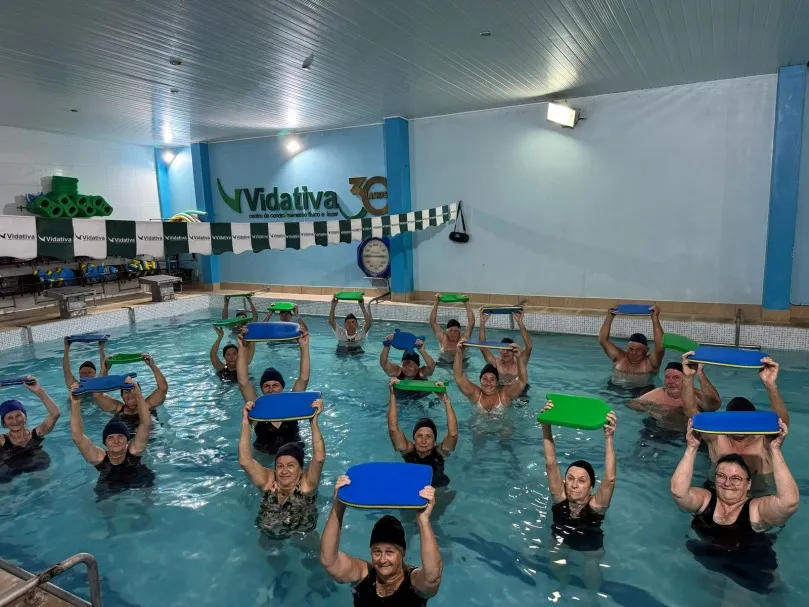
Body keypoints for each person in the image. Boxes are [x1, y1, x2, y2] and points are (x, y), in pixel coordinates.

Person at [670, 419, 798, 593]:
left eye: (736, 478)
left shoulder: (755, 510)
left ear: (748, 484)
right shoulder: (706, 500)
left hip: (750, 567)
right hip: (709, 555)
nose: (727, 482)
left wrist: (774, 450)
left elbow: (789, 502)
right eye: (721, 476)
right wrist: (691, 448)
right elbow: (678, 493)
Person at [320, 475, 442, 605]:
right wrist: (338, 506)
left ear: (403, 552)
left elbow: (432, 577)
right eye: (377, 552)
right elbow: (329, 561)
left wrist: (423, 520)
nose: (382, 560)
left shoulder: (415, 582)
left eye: (389, 552)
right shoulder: (363, 574)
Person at [540, 401, 617, 594]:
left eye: (582, 481)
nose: (574, 485)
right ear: (564, 481)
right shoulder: (560, 496)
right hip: (561, 538)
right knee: (555, 559)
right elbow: (550, 463)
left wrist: (609, 437)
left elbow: (609, 480)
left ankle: (592, 598)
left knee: (591, 569)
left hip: (590, 544)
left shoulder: (596, 505)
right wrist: (546, 424)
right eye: (571, 478)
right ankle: (563, 586)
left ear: (591, 488)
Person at [685, 356, 789, 492]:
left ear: (753, 422)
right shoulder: (716, 437)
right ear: (726, 421)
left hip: (756, 495)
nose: (739, 426)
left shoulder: (764, 443)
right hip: (716, 492)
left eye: (744, 422)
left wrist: (770, 385)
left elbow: (781, 423)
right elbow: (692, 415)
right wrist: (688, 377)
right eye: (733, 421)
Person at [239, 398, 325, 539]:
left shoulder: (306, 486)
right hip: (269, 530)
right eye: (280, 466)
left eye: (291, 465)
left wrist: (313, 421)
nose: (284, 471)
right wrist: (246, 422)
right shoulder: (269, 481)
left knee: (314, 553)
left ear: (301, 470)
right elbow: (245, 462)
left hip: (302, 532)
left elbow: (319, 458)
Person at [70, 378, 155, 494]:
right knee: (102, 496)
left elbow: (146, 423)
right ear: (105, 442)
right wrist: (75, 404)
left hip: (139, 476)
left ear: (127, 440)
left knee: (148, 490)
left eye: (120, 436)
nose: (116, 441)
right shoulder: (98, 458)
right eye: (111, 438)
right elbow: (77, 437)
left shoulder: (134, 450)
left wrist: (138, 395)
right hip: (109, 483)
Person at [236, 327, 311, 454]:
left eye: (275, 385)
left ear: (282, 387)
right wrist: (242, 348)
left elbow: (303, 379)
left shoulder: (291, 404)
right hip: (264, 458)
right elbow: (243, 383)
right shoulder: (257, 408)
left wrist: (304, 346)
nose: (271, 389)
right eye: (266, 386)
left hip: (293, 457)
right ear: (262, 390)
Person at [387, 378, 457, 488]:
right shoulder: (408, 451)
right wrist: (393, 395)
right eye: (419, 436)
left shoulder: (440, 452)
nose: (423, 441)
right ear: (414, 439)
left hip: (439, 490)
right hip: (412, 489)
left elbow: (453, 435)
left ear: (434, 441)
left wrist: (446, 401)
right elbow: (393, 429)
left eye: (428, 436)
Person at [0, 376, 60, 480]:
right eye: (9, 418)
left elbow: (55, 414)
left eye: (18, 415)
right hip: (8, 466)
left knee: (43, 481)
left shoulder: (36, 433)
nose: (15, 420)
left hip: (35, 461)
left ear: (25, 417)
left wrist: (39, 391)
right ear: (4, 423)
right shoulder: (1, 440)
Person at [95, 353, 168, 432]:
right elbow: (97, 395)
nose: (130, 394)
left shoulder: (148, 405)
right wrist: (104, 369)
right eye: (126, 392)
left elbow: (163, 388)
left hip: (151, 437)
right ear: (122, 396)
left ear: (139, 393)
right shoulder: (117, 408)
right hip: (124, 438)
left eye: (133, 390)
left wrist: (152, 366)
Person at [599, 306, 665, 387]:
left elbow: (660, 346)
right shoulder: (620, 358)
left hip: (642, 391)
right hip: (615, 389)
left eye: (638, 350)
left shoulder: (650, 363)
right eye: (631, 349)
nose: (634, 353)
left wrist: (655, 318)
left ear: (646, 350)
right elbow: (603, 340)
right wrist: (610, 316)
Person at [453, 340, 527, 412]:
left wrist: (519, 358)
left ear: (497, 382)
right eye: (485, 379)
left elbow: (522, 381)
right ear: (480, 381)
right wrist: (458, 354)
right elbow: (459, 377)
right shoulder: (476, 395)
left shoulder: (504, 396)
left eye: (492, 379)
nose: (488, 383)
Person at [478, 308, 533, 386]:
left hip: (519, 391)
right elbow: (482, 347)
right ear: (499, 350)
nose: (505, 352)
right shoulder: (495, 362)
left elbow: (529, 346)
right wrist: (482, 323)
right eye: (503, 349)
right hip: (500, 390)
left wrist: (520, 323)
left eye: (508, 349)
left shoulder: (520, 362)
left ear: (514, 351)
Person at [430, 294, 474, 364]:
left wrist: (466, 302)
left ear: (460, 332)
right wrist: (436, 302)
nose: (453, 333)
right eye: (450, 331)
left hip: (461, 363)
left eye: (456, 331)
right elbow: (433, 321)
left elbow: (471, 322)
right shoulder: (443, 338)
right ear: (446, 332)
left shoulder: (463, 338)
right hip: (443, 363)